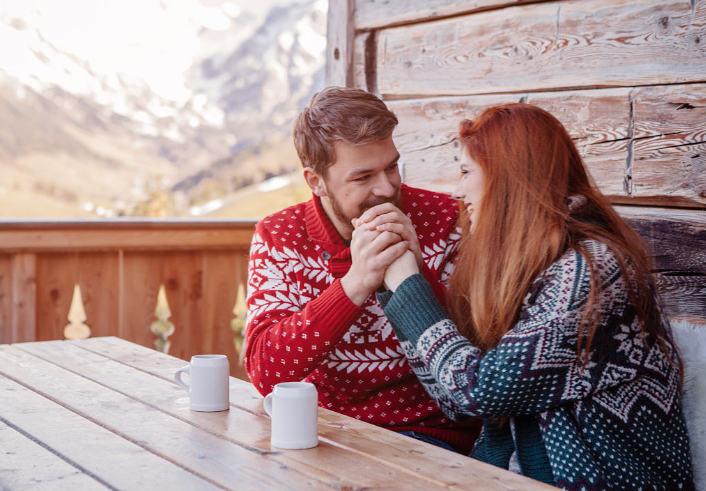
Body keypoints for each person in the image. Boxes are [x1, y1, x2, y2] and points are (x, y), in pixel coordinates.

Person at [367, 103, 694, 490]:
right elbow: (455, 401)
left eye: (466, 171)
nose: (457, 190)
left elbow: (478, 392)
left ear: (509, 177)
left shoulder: (593, 271)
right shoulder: (526, 264)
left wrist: (411, 288)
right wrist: (400, 288)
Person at [244, 86, 481, 453]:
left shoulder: (446, 219)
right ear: (316, 181)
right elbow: (266, 372)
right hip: (323, 435)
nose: (386, 188)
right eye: (362, 177)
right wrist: (354, 283)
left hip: (434, 437)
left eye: (391, 166)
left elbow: (479, 356)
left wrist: (418, 277)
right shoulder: (279, 236)